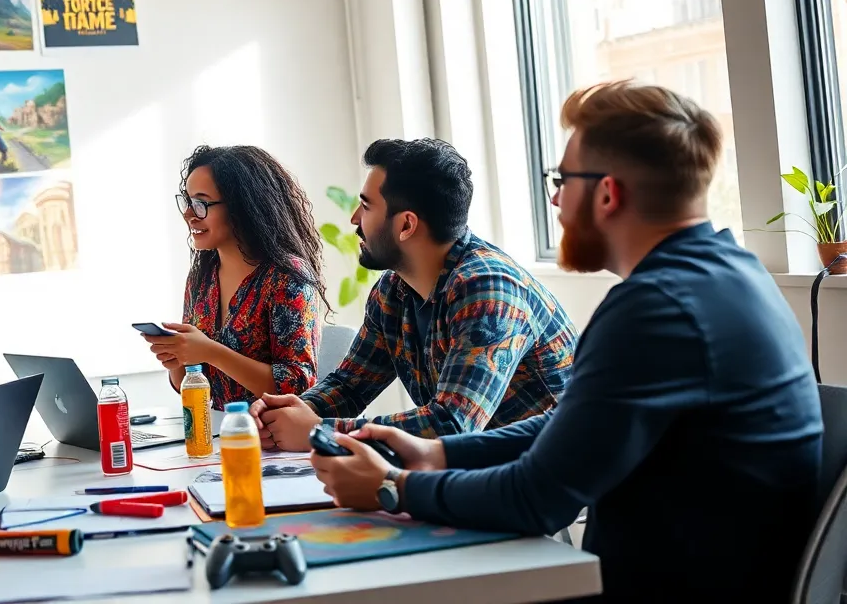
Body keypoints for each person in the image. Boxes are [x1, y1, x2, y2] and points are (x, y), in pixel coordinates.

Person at [311, 82, 824, 601]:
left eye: (562, 180)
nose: (554, 198)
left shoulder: (659, 309)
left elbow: (538, 498)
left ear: (606, 193)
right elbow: (572, 423)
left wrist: (392, 487)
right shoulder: (722, 275)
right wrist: (437, 453)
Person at [252, 138, 577, 449]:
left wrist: (317, 431)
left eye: (366, 206)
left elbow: (450, 425)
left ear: (406, 225)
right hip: (481, 476)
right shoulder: (393, 291)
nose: (354, 219)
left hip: (553, 486)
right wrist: (288, 415)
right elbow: (350, 387)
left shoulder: (487, 290)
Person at [140, 145, 324, 409]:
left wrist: (210, 351)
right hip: (218, 432)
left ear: (242, 206)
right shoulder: (201, 279)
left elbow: (297, 385)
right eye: (187, 202)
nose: (189, 215)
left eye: (201, 204)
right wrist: (178, 359)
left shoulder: (287, 277)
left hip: (274, 439)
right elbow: (188, 386)